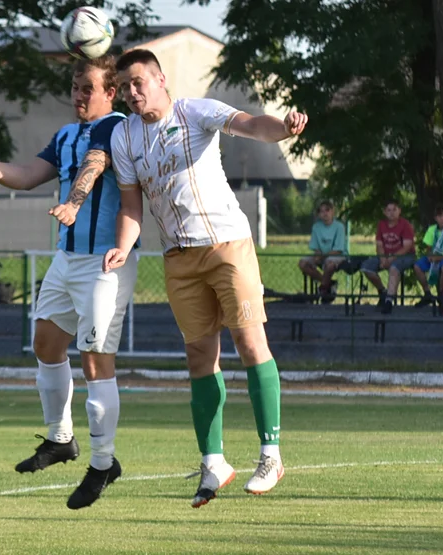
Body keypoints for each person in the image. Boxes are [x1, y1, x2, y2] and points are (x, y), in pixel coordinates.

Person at [102, 49, 308, 508]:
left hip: (226, 245)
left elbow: (253, 125)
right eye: (125, 87)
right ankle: (213, 462)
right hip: (178, 257)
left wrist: (285, 128)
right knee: (199, 358)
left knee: (250, 343)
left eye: (139, 83)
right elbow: (132, 206)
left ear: (159, 80)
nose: (132, 94)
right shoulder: (123, 136)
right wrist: (123, 243)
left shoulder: (194, 111)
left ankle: (270, 454)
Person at [0, 55, 135, 510]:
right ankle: (61, 439)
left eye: (87, 88)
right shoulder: (65, 134)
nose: (79, 96)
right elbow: (28, 176)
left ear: (109, 92)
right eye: (75, 88)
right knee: (46, 345)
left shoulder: (118, 127)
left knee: (96, 361)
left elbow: (93, 169)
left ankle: (103, 464)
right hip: (66, 258)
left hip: (104, 262)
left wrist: (74, 204)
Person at [359, 200, 416, 314]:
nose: (391, 213)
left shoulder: (405, 224)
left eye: (394, 209)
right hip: (386, 256)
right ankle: (383, 291)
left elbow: (407, 247)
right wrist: (383, 258)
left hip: (405, 256)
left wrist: (391, 259)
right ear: (385, 212)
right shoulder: (381, 224)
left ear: (399, 211)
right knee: (366, 267)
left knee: (394, 268)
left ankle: (389, 302)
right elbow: (379, 245)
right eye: (388, 210)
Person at [297, 200, 346, 303]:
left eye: (327, 210)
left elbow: (338, 250)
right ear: (319, 214)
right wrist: (318, 255)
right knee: (303, 263)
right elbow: (315, 247)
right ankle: (329, 283)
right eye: (321, 211)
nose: (325, 213)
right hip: (322, 255)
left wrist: (322, 257)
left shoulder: (339, 227)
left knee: (330, 264)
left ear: (332, 212)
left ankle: (323, 289)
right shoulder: (316, 227)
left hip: (337, 255)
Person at [412, 205, 443, 307]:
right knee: (417, 266)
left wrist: (438, 258)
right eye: (439, 216)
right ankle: (427, 293)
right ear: (435, 218)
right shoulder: (431, 229)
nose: (442, 219)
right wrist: (430, 255)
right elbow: (428, 247)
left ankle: (442, 296)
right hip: (434, 256)